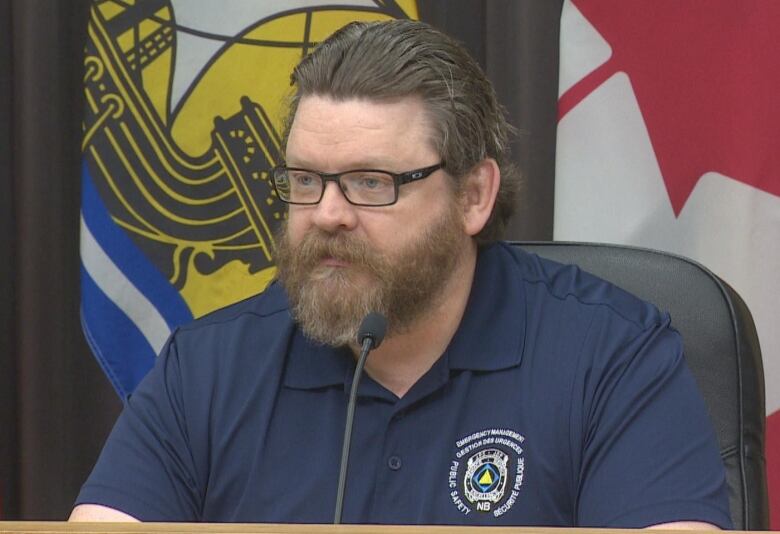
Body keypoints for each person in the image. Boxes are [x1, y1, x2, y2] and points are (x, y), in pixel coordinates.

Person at [70, 20, 731, 528]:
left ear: (473, 196)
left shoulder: (613, 355)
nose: (327, 214)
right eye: (305, 181)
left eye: (369, 182)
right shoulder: (208, 369)